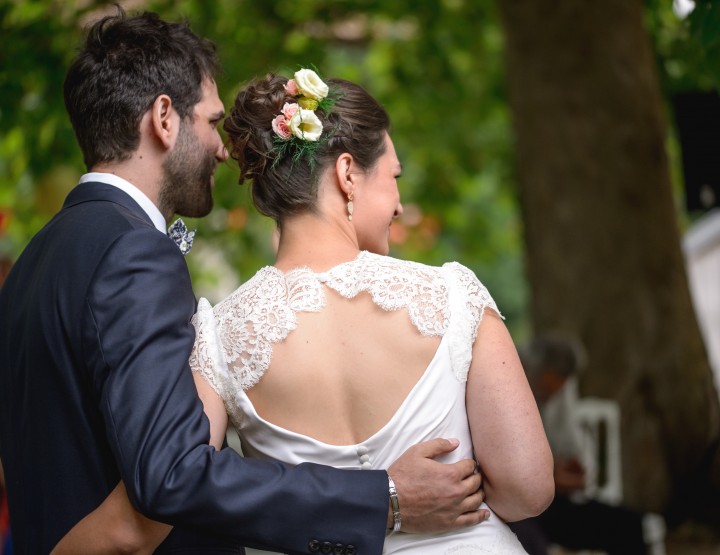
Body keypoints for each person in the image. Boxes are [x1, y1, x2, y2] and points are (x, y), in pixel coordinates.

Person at [0, 8, 491, 554]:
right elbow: (170, 477)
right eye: (210, 122)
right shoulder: (133, 253)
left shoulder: (32, 262)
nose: (222, 148)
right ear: (164, 118)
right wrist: (386, 496)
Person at [186, 70, 554, 552]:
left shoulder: (219, 333)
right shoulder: (453, 294)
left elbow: (194, 489)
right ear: (346, 174)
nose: (399, 206)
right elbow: (527, 489)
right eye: (393, 178)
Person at [508, 334, 664, 555]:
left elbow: (568, 449)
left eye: (555, 392)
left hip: (554, 502)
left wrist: (569, 471)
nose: (548, 397)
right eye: (544, 389)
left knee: (628, 526)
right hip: (521, 510)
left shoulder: (558, 393)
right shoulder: (505, 386)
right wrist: (550, 477)